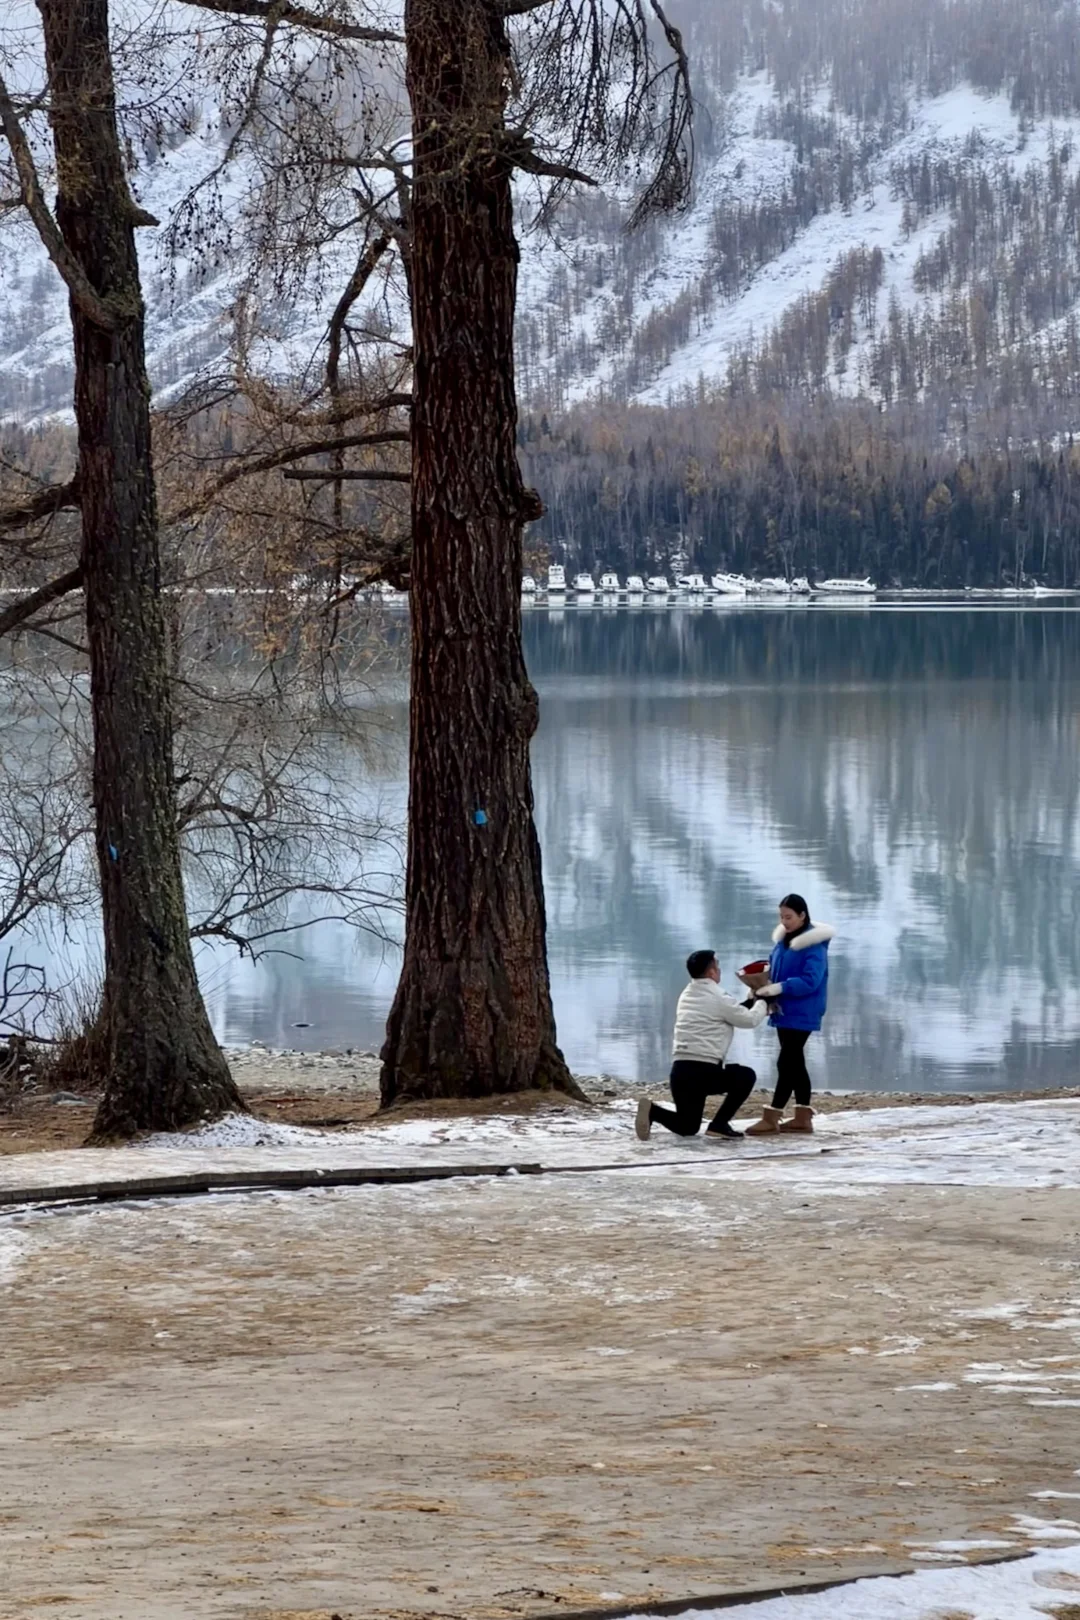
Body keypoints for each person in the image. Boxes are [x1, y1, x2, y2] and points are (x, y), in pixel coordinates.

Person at [635, 949, 768, 1141]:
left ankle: (652, 1111)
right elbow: (749, 1020)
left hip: (681, 1071)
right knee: (745, 1076)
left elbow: (728, 1014)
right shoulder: (718, 995)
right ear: (711, 972)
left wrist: (750, 1001)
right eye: (718, 966)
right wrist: (763, 1001)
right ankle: (719, 1124)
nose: (719, 970)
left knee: (687, 1126)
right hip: (704, 1072)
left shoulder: (687, 994)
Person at [744, 894, 835, 1135]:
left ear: (802, 915)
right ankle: (802, 1118)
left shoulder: (813, 946)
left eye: (789, 917)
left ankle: (772, 1116)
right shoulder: (783, 942)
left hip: (803, 1010)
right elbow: (774, 967)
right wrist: (760, 984)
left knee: (786, 1062)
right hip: (784, 1009)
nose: (784, 922)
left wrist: (780, 987)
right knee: (794, 1062)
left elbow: (811, 980)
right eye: (781, 917)